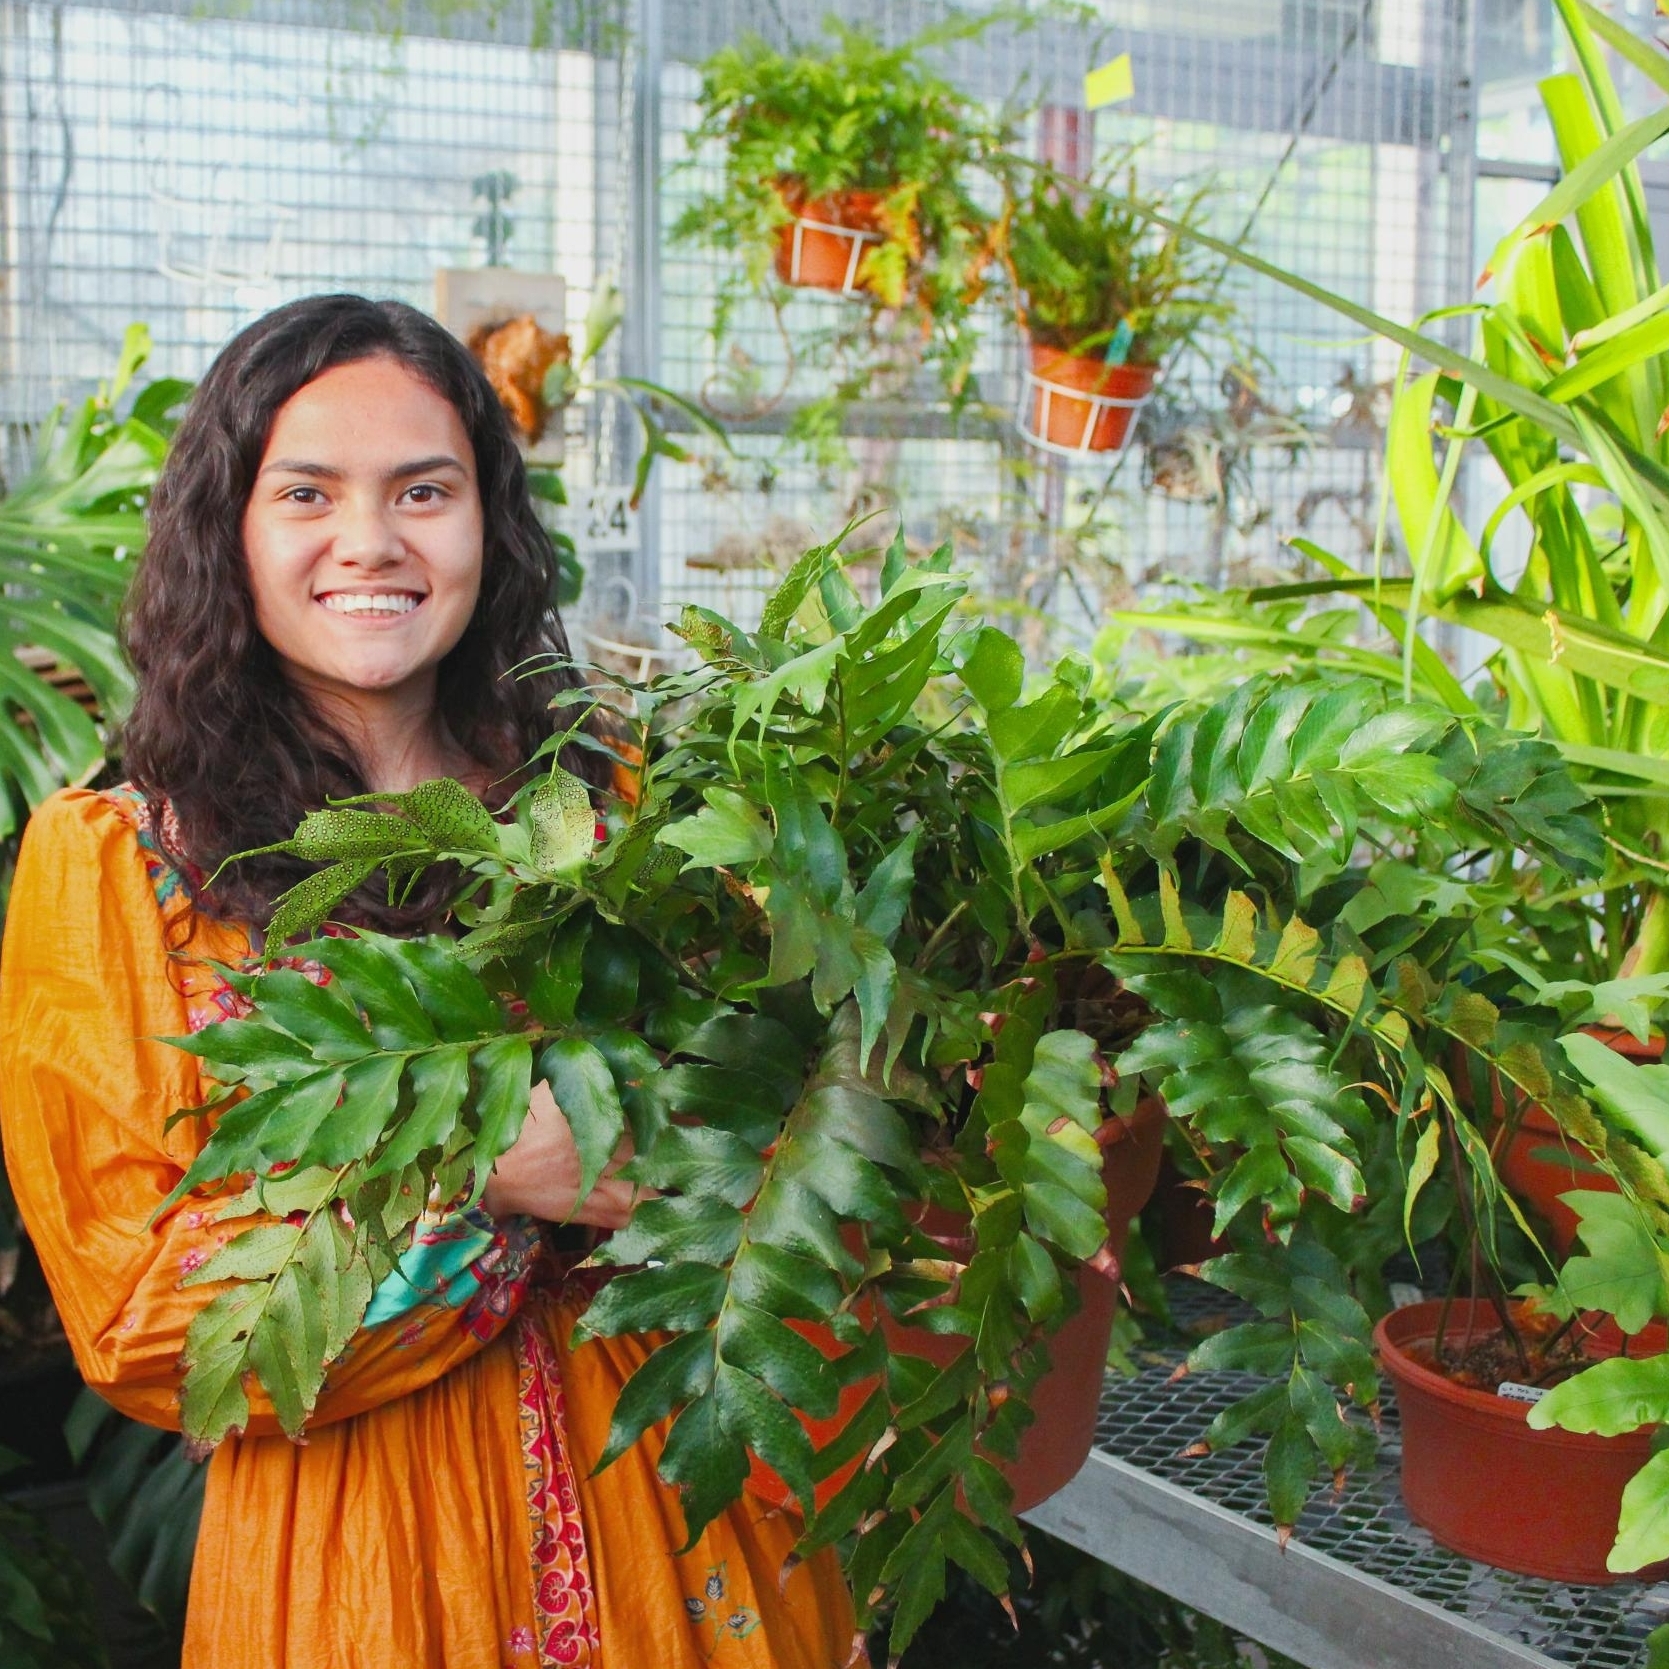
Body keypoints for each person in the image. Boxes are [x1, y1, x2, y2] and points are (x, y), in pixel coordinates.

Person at [0, 295, 855, 1669]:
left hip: (681, 1544)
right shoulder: (116, 869)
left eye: (423, 490)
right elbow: (143, 1321)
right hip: (359, 1575)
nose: (371, 542)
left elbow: (785, 1123)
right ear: (226, 526)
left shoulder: (620, 807)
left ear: (488, 521)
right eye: (306, 493)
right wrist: (491, 1179)